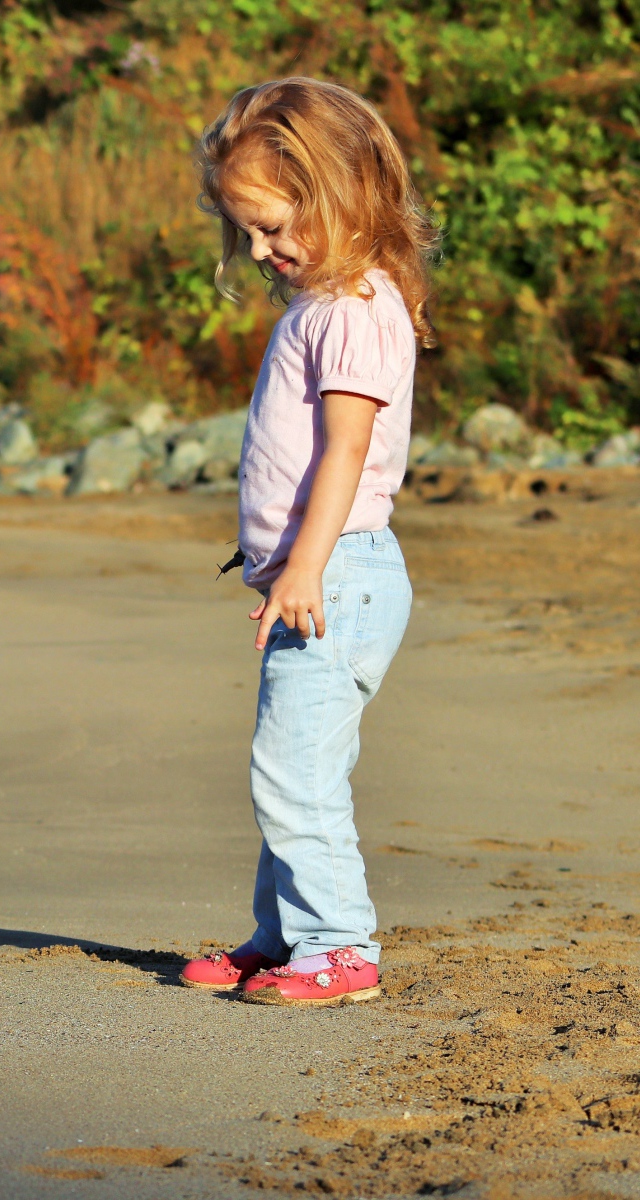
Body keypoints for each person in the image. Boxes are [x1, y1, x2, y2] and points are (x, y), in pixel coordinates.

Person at [177, 77, 440, 1006]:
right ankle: (284, 934)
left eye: (274, 226)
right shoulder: (331, 303)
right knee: (294, 766)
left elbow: (346, 451)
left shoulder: (355, 309)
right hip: (327, 574)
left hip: (342, 574)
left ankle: (340, 948)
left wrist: (307, 566)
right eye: (247, 231)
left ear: (341, 194)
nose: (261, 248)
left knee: (293, 773)